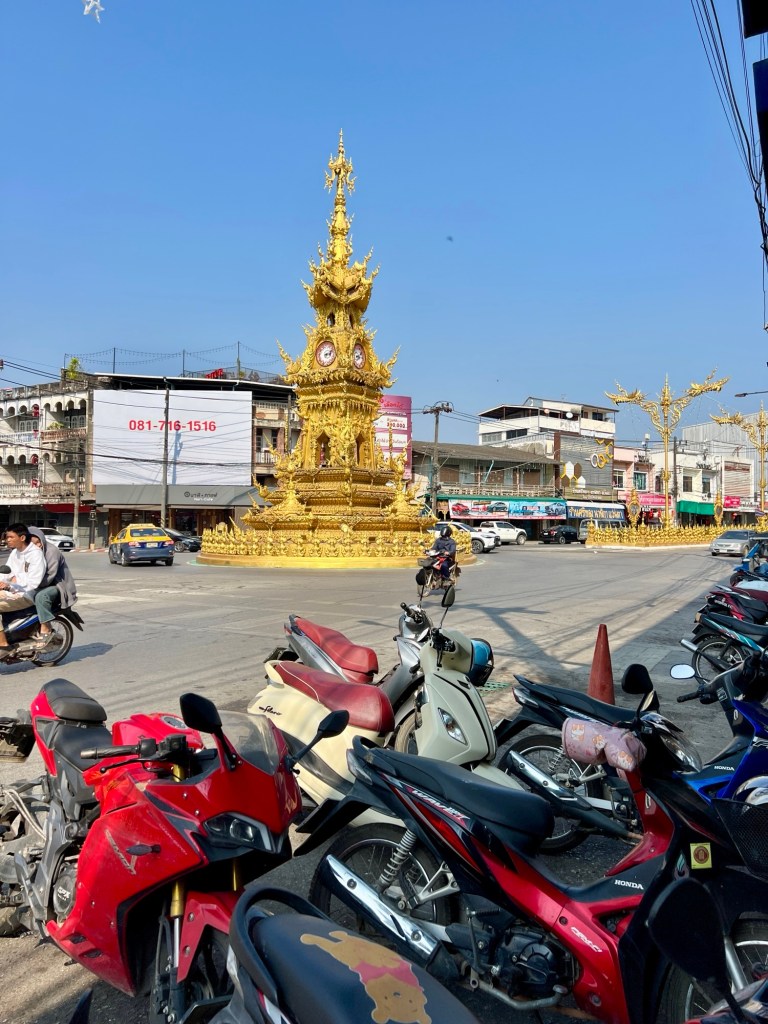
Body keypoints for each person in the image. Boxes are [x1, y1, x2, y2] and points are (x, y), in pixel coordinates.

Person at [0, 523, 47, 659]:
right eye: (7, 537)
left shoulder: (35, 554)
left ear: (22, 538)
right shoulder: (15, 553)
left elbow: (34, 581)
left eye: (11, 537)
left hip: (26, 595)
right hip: (12, 591)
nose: (7, 540)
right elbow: (6, 572)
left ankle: (3, 645)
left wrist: (12, 583)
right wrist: (3, 581)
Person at [27, 527, 78, 648]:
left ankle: (46, 628)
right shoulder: (24, 552)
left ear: (41, 541)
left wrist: (27, 585)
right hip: (36, 584)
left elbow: (49, 577)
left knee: (41, 597)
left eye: (37, 543)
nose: (36, 546)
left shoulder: (51, 551)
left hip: (57, 586)